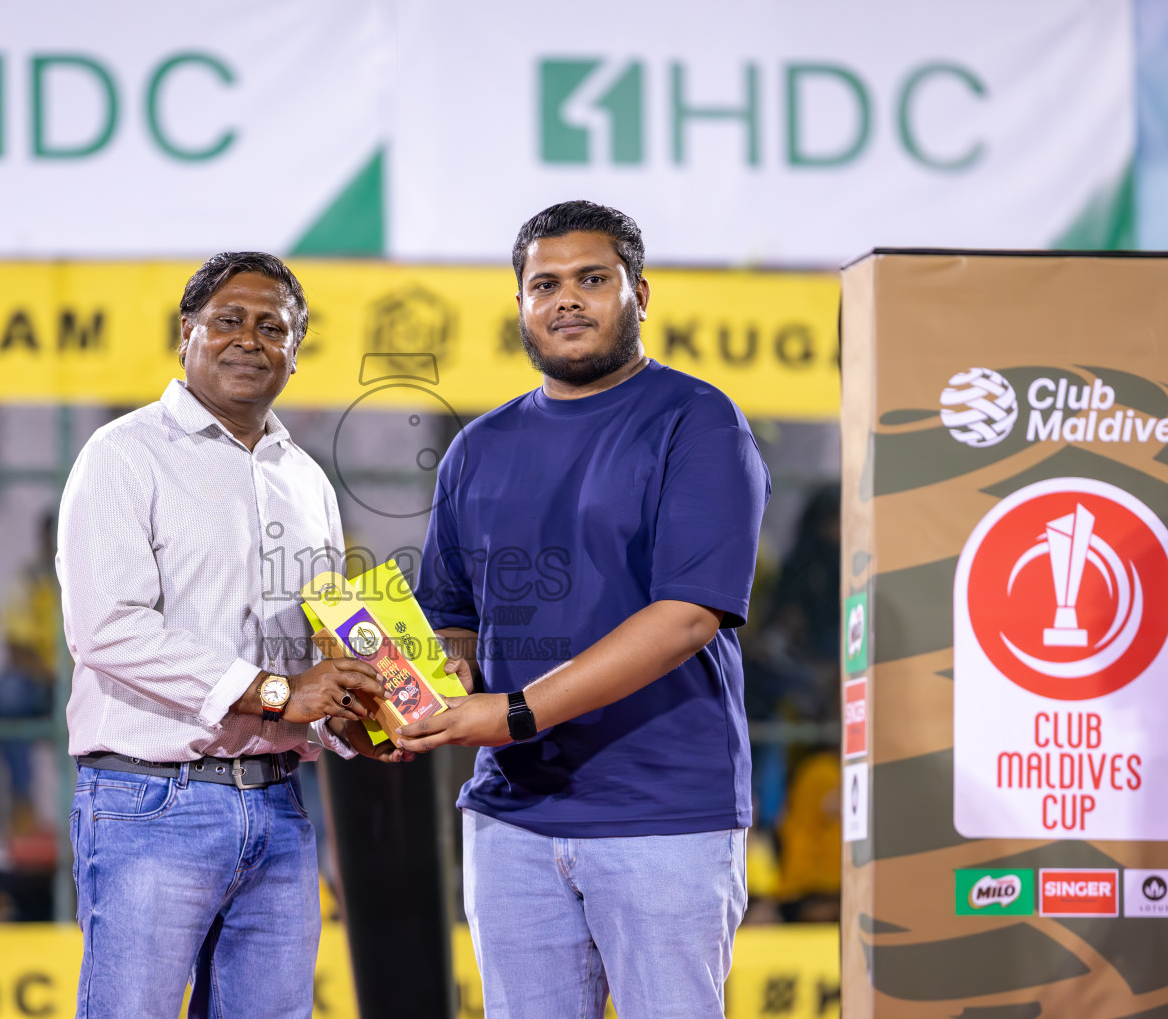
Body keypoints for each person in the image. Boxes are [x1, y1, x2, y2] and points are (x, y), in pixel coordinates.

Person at [402, 202, 770, 1018]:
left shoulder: (698, 422)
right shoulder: (479, 447)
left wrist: (516, 712)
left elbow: (688, 615)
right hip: (512, 817)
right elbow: (452, 607)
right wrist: (447, 671)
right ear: (522, 307)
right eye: (545, 285)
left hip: (663, 812)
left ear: (639, 294)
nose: (567, 299)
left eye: (592, 280)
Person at [58, 251, 405, 1019]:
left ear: (294, 352)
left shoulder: (307, 480)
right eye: (229, 320)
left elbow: (322, 642)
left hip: (281, 807)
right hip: (150, 799)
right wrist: (281, 693)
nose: (249, 339)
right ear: (187, 333)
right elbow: (108, 629)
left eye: (272, 326)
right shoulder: (122, 456)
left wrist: (368, 718)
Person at [0, 511, 59, 832]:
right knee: (8, 694)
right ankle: (23, 799)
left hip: (89, 683)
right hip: (44, 684)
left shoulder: (94, 577)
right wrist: (55, 678)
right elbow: (16, 650)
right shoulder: (28, 580)